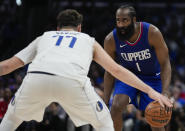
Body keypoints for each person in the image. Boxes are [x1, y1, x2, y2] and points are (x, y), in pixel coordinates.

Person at [0, 9, 172, 131]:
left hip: (36, 79)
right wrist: (151, 91)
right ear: (80, 28)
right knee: (104, 123)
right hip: (72, 81)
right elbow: (116, 70)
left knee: (11, 119)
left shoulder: (44, 37)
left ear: (57, 28)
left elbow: (7, 66)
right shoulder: (87, 40)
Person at [103, 5, 172, 131]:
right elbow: (109, 71)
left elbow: (165, 63)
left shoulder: (152, 33)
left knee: (157, 119)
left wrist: (166, 92)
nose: (121, 24)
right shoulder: (111, 40)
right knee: (116, 107)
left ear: (133, 20)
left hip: (152, 78)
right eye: (118, 20)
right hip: (127, 78)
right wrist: (105, 101)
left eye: (125, 20)